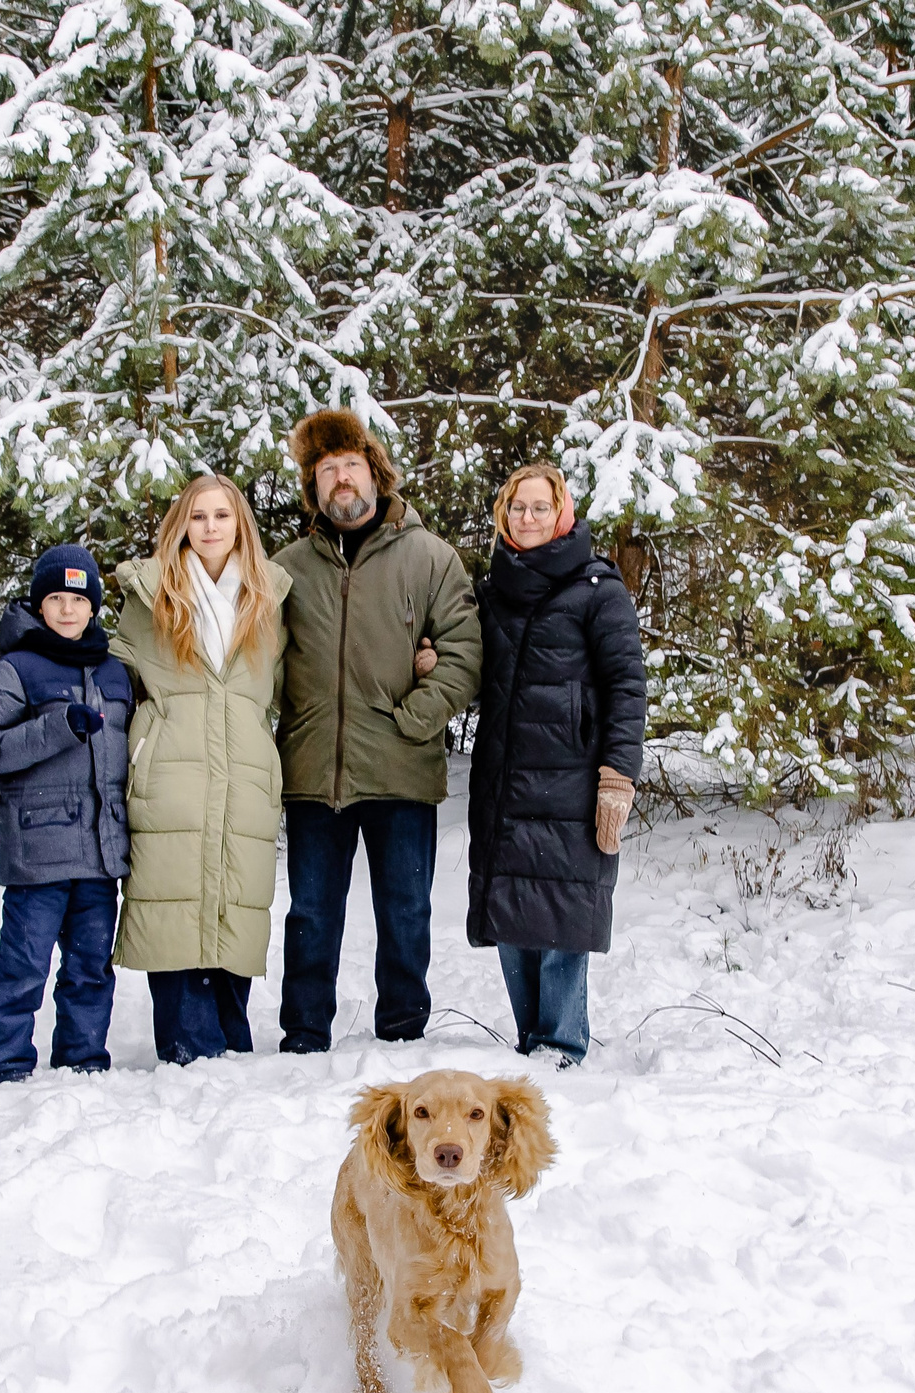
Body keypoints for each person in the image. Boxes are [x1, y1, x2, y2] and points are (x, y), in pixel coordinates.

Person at [269, 409, 481, 1054]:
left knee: (405, 910)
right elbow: (260, 658)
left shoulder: (430, 558)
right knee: (310, 914)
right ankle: (304, 1033)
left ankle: (402, 1029)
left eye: (350, 466)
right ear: (314, 486)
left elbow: (465, 650)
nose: (340, 480)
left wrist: (414, 720)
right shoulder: (287, 567)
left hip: (400, 768)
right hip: (313, 768)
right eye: (326, 470)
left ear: (375, 473)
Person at [465, 464, 645, 1065]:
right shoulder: (492, 592)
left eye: (541, 508)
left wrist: (618, 775)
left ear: (563, 514)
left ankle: (562, 1042)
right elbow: (473, 677)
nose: (529, 518)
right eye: (518, 508)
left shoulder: (598, 590)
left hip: (571, 779)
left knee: (564, 914)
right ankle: (530, 1040)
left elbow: (627, 686)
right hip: (505, 777)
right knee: (511, 911)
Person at [109, 474, 293, 1064]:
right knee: (175, 903)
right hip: (171, 774)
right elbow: (110, 676)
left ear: (240, 523)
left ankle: (230, 1044)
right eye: (198, 517)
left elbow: (292, 688)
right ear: (181, 525)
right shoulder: (149, 595)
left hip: (243, 777)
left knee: (233, 904)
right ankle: (188, 1048)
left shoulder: (269, 602)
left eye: (222, 516)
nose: (210, 528)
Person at [0, 546, 134, 1084]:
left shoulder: (115, 672)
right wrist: (58, 726)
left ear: (93, 608)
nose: (66, 610)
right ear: (40, 606)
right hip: (39, 853)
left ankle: (82, 1061)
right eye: (56, 599)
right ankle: (4, 1065)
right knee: (24, 967)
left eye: (78, 599)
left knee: (90, 969)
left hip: (99, 854)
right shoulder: (16, 668)